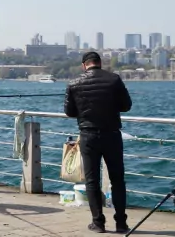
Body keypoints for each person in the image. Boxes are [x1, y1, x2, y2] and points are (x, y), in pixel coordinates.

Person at [64, 51, 133, 233]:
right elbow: (127, 105)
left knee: (91, 180)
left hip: (88, 135)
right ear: (100, 63)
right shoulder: (114, 80)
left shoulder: (74, 83)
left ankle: (98, 222)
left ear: (84, 65)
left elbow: (69, 112)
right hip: (112, 135)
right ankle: (121, 223)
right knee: (117, 180)